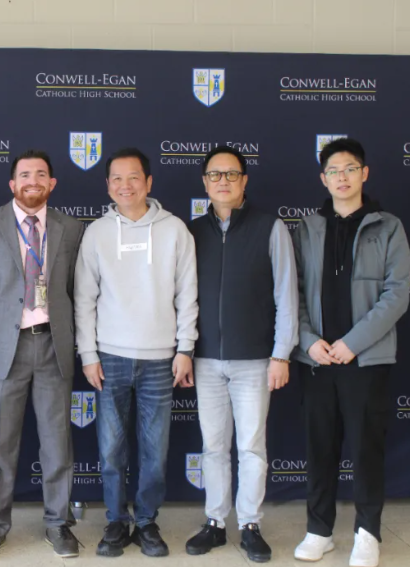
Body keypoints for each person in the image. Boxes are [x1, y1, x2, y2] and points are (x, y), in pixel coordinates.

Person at [74, 147, 198, 558]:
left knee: (154, 452)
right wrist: (88, 354)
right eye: (117, 178)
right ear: (108, 185)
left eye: (133, 178)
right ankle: (115, 520)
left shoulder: (175, 230)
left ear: (148, 182)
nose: (125, 186)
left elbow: (187, 294)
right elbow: (84, 299)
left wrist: (185, 348)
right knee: (110, 450)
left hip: (161, 359)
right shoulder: (97, 232)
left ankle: (146, 521)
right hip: (109, 357)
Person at [292, 138, 410, 567]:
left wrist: (352, 343)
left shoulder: (388, 227)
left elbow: (397, 294)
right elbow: (292, 293)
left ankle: (367, 533)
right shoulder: (307, 228)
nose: (342, 177)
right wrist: (309, 340)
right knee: (320, 447)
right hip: (318, 359)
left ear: (364, 173)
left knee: (366, 449)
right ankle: (319, 530)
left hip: (366, 359)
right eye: (334, 171)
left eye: (350, 168)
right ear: (323, 179)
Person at [0, 149, 85, 560]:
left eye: (40, 174)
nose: (32, 181)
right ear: (12, 183)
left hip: (54, 344)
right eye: (24, 175)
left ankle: (58, 524)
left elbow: (74, 290)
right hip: (5, 347)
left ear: (52, 183)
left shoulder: (72, 228)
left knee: (57, 442)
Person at [185, 145, 298, 563]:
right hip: (206, 360)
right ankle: (215, 523)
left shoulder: (271, 228)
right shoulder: (191, 232)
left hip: (255, 361)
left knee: (251, 446)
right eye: (215, 175)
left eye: (231, 174)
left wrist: (281, 354)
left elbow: (287, 295)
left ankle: (250, 524)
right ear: (205, 182)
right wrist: (185, 351)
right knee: (213, 447)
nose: (223, 181)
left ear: (244, 180)